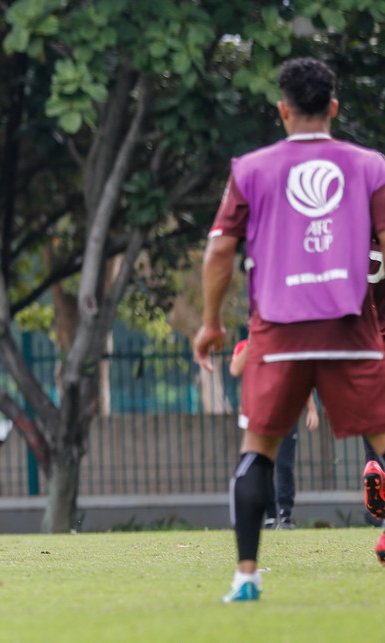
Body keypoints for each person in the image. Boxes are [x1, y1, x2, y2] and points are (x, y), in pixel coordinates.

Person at [193, 57, 385, 603]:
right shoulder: (371, 165)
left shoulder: (251, 168)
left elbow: (220, 249)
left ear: (282, 110)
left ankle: (247, 577)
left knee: (258, 450)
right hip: (351, 328)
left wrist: (211, 324)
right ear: (334, 108)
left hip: (277, 331)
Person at [229, 338, 319, 529]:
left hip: (287, 411)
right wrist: (253, 342)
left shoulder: (283, 342)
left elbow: (300, 376)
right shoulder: (244, 346)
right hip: (258, 412)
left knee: (285, 464)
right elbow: (235, 369)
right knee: (262, 464)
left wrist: (311, 408)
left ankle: (284, 515)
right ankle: (270, 516)